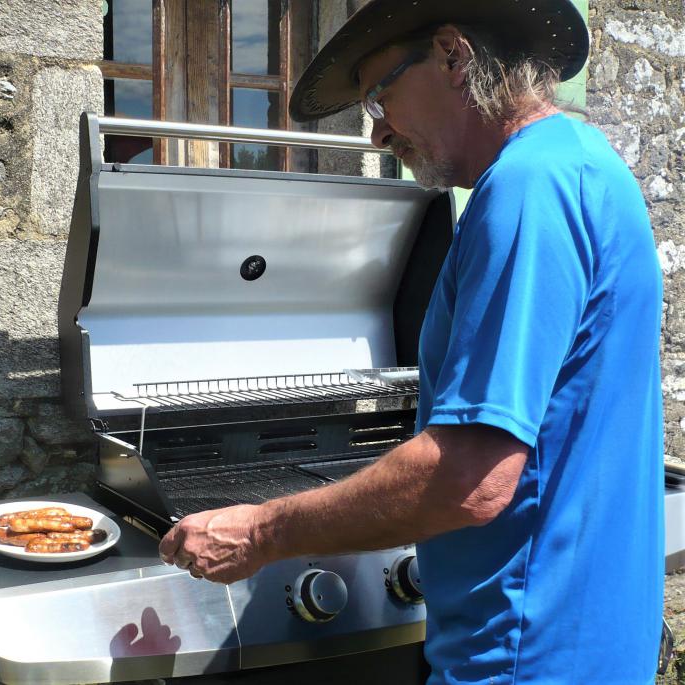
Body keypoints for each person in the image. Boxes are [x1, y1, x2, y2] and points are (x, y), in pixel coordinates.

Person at [160, 1, 665, 682]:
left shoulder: (527, 188)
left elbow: (470, 479)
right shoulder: (585, 163)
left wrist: (261, 530)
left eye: (378, 95)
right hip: (586, 644)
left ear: (453, 56)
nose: (376, 134)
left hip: (523, 656)